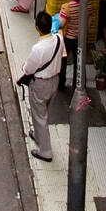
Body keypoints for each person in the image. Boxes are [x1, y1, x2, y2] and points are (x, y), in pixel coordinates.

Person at [21, 10, 65, 163]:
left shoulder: (37, 49)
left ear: (37, 28)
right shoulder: (59, 39)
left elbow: (28, 69)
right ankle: (39, 135)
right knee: (44, 112)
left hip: (40, 84)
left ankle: (45, 151)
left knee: (40, 116)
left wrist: (24, 66)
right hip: (55, 81)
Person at [53, 0, 92, 91]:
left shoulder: (67, 7)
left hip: (68, 39)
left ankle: (61, 85)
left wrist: (56, 19)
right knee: (79, 62)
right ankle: (79, 85)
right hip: (81, 39)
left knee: (63, 61)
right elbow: (88, 25)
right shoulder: (88, 6)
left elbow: (61, 23)